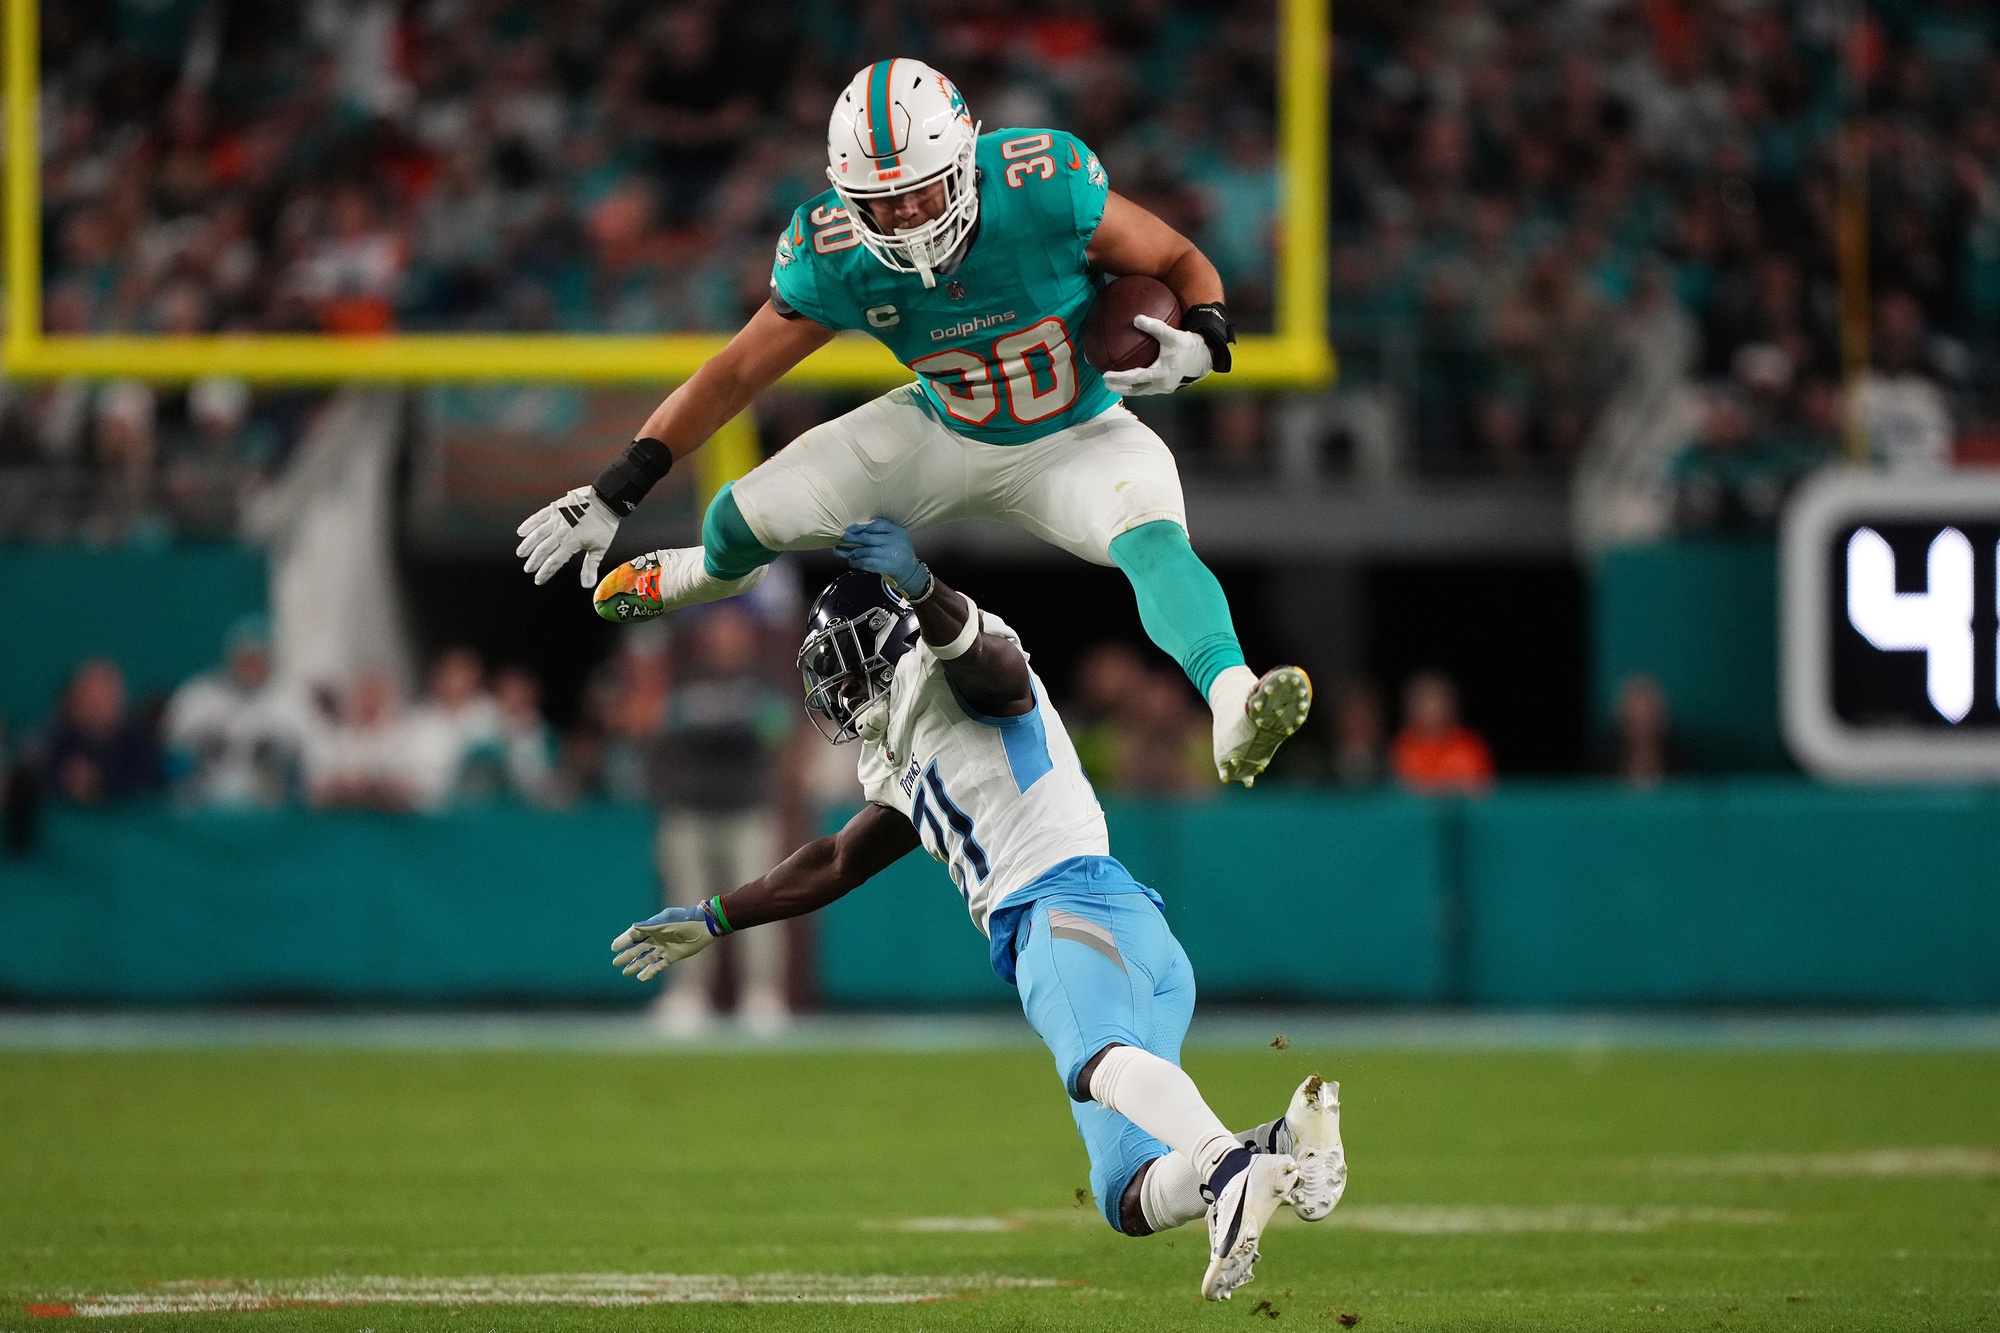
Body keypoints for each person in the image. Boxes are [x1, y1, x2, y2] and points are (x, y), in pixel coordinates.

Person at [516, 58, 1312, 787]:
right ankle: (708, 575)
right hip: (944, 429)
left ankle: (1233, 698)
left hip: (1080, 434)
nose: (902, 216)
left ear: (966, 161)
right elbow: (732, 374)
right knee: (737, 515)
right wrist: (617, 491)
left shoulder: (1043, 183)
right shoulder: (832, 250)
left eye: (920, 191)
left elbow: (1178, 260)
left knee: (1152, 538)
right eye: (879, 200)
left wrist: (1205, 337)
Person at [609, 518, 1346, 1301]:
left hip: (1064, 910)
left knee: (1094, 1062)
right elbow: (834, 859)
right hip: (1119, 932)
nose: (839, 689)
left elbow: (999, 673)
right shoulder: (895, 750)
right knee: (1124, 1194)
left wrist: (923, 587)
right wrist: (717, 915)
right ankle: (1277, 1147)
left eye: (846, 664)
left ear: (885, 637)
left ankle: (1229, 1170)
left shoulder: (952, 663)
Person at [645, 603, 797, 1035]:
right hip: (689, 807)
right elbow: (661, 722)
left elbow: (776, 729)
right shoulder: (684, 676)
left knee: (758, 907)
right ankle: (688, 995)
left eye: (733, 630)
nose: (725, 637)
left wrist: (725, 722)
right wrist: (723, 722)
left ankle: (764, 995)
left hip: (748, 808)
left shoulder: (765, 678)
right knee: (686, 906)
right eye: (717, 630)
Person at [162, 616, 311, 808]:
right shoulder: (197, 697)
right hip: (203, 813)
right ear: (231, 655)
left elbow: (313, 759)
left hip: (269, 817)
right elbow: (169, 751)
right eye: (245, 656)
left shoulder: (293, 703)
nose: (251, 664)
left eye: (258, 656)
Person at [42, 659, 166, 806]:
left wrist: (100, 784)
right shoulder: (55, 745)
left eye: (106, 695)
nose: (99, 705)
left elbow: (146, 789)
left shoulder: (139, 747)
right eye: (91, 697)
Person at [1389, 670, 1495, 794]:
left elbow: (1483, 789)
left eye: (1437, 697)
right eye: (1423, 699)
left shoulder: (1471, 745)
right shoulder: (1402, 746)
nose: (1431, 707)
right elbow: (1399, 789)